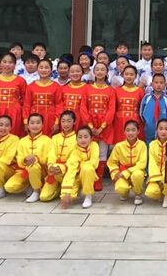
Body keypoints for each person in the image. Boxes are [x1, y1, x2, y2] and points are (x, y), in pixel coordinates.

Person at [80, 62, 115, 191]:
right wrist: (90, 126)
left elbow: (111, 109)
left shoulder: (110, 90)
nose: (100, 72)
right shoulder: (87, 89)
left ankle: (98, 180)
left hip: (105, 126)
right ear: (93, 72)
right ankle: (89, 177)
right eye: (97, 70)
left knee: (102, 152)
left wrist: (102, 127)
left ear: (107, 72)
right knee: (89, 151)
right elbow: (83, 107)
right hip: (89, 125)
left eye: (102, 70)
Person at [4, 113, 52, 203]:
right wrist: (25, 159)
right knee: (9, 187)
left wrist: (36, 158)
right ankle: (30, 184)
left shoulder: (48, 140)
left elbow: (49, 158)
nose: (35, 126)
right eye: (32, 123)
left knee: (33, 166)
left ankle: (36, 191)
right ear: (28, 125)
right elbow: (19, 158)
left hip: (41, 171)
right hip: (24, 171)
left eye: (38, 123)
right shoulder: (22, 141)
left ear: (42, 125)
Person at [0, 53, 26, 138]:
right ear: (0, 63)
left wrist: (15, 104)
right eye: (4, 62)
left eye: (10, 62)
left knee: (13, 137)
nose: (7, 65)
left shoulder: (20, 81)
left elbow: (25, 98)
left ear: (14, 65)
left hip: (14, 112)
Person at [39, 111, 78, 202]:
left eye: (69, 121)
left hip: (69, 171)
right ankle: (59, 187)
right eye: (63, 121)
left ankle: (72, 186)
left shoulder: (77, 138)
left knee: (70, 196)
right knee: (44, 197)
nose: (65, 124)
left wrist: (63, 167)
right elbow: (51, 154)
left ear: (74, 122)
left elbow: (75, 157)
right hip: (54, 171)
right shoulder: (55, 137)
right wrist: (50, 166)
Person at [107, 120, 147, 205]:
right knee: (121, 189)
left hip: (136, 171)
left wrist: (127, 172)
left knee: (138, 174)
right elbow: (112, 162)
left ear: (138, 131)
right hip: (122, 172)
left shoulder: (142, 145)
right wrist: (115, 172)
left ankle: (137, 194)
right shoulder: (119, 146)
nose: (130, 133)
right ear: (124, 132)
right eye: (128, 130)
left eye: (133, 130)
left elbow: (142, 163)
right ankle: (125, 193)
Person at [60, 126, 99, 209]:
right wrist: (67, 192)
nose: (83, 140)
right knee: (67, 196)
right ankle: (77, 191)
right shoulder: (74, 152)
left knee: (87, 168)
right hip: (77, 177)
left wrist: (80, 165)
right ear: (76, 139)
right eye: (80, 137)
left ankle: (88, 195)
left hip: (89, 175)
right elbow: (71, 171)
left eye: (86, 137)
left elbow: (94, 163)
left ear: (91, 138)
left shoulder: (94, 146)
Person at [23, 59, 63, 137]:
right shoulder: (31, 86)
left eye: (46, 67)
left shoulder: (56, 87)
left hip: (50, 119)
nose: (43, 70)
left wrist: (57, 122)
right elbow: (27, 105)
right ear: (37, 69)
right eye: (41, 67)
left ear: (51, 70)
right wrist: (25, 121)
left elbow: (59, 105)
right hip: (34, 119)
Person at [145, 119, 167, 208]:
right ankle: (160, 194)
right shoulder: (152, 144)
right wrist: (158, 180)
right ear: (156, 130)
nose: (163, 132)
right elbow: (152, 163)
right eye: (160, 129)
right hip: (155, 175)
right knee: (150, 192)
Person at [113, 65, 145, 144]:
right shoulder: (116, 90)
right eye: (126, 74)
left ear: (136, 76)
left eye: (131, 74)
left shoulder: (140, 91)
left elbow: (142, 110)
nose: (129, 76)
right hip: (119, 122)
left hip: (135, 121)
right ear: (122, 75)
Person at [140, 73, 167, 147]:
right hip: (149, 128)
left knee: (163, 146)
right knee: (149, 146)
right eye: (156, 82)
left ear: (165, 85)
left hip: (164, 130)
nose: (158, 85)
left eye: (161, 83)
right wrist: (147, 122)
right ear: (151, 84)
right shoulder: (146, 98)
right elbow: (141, 113)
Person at [61, 63, 87, 129]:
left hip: (82, 121)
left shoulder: (88, 88)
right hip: (65, 122)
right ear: (68, 74)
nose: (75, 74)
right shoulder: (63, 89)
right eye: (72, 72)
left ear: (83, 73)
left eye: (78, 71)